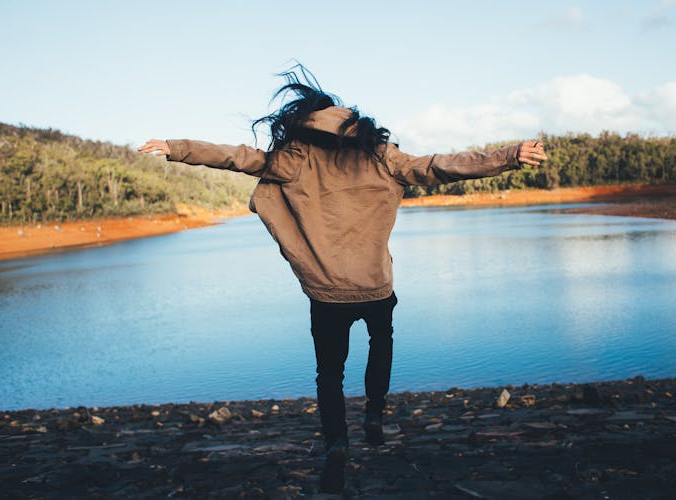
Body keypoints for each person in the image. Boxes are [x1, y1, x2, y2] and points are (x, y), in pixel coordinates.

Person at [138, 65, 547, 493]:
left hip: (327, 292)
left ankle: (336, 445)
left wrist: (176, 147)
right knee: (381, 341)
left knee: (329, 375)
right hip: (375, 286)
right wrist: (508, 155)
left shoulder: (295, 159)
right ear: (350, 121)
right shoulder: (382, 155)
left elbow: (240, 157)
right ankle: (374, 413)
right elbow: (441, 165)